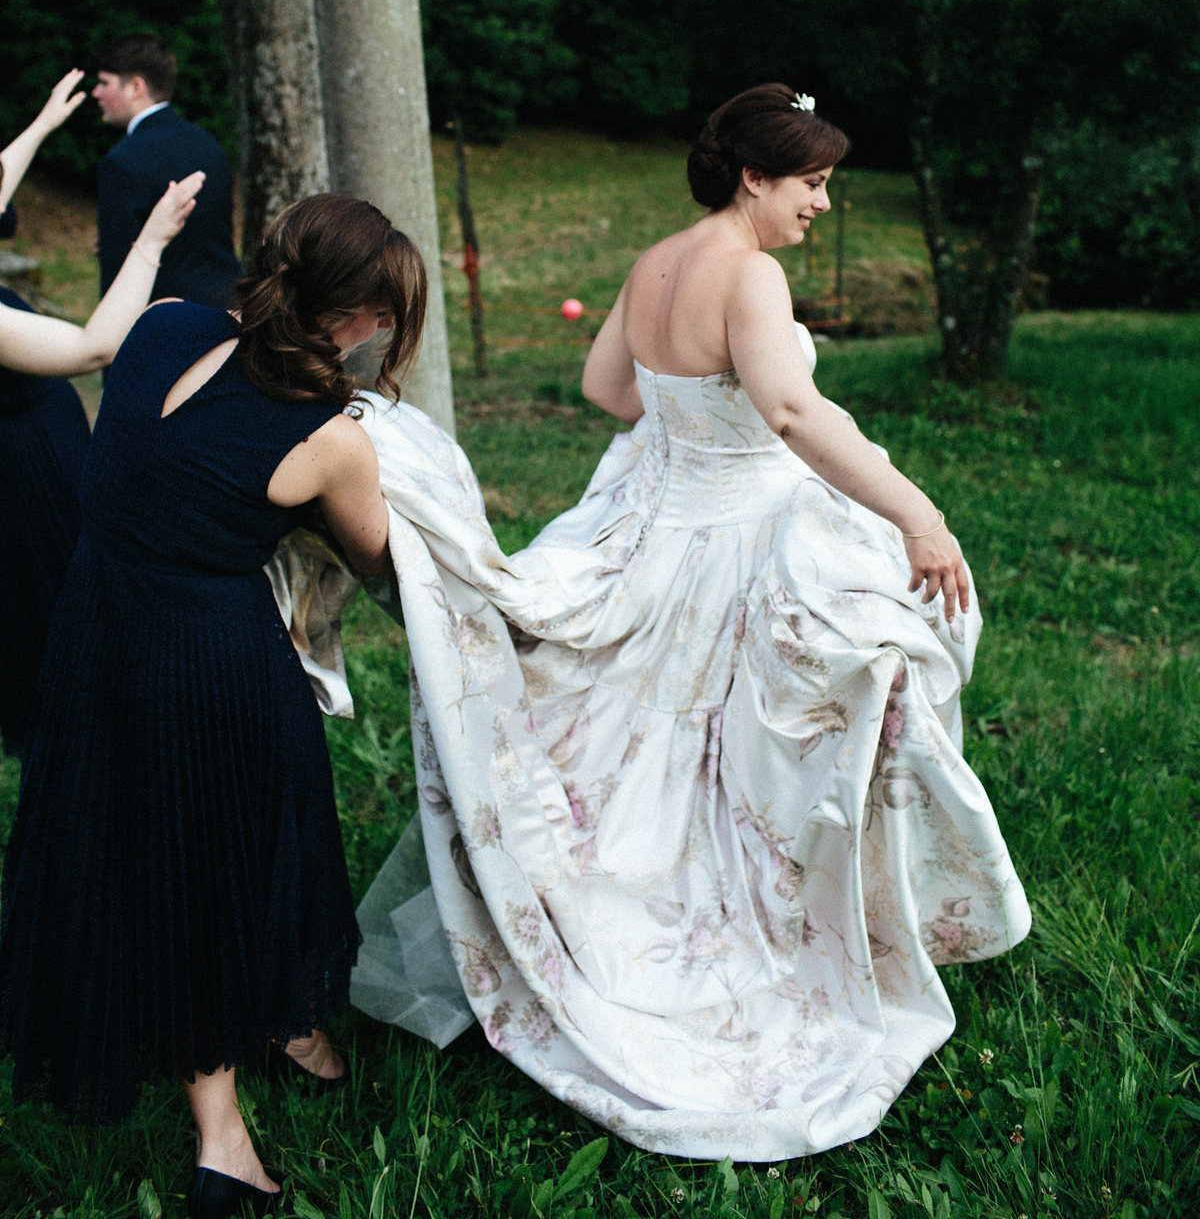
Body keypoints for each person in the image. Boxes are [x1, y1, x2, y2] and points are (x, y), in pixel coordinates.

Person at [325, 83, 1031, 1161]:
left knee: (637, 744)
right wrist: (916, 514)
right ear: (756, 175)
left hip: (656, 521)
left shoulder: (657, 259)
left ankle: (593, 915)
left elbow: (607, 385)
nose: (824, 205)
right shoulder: (750, 272)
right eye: (813, 183)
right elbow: (794, 413)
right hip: (742, 530)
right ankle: (760, 945)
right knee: (756, 736)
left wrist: (693, 415)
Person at [0, 194, 427, 1219]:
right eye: (382, 317)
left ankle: (284, 1016)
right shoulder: (331, 437)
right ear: (353, 318)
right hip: (201, 661)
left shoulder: (162, 327)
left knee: (231, 816)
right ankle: (223, 1140)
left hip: (91, 636)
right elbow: (380, 565)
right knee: (213, 859)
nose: (381, 335)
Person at [0, 68, 204, 756]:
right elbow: (92, 348)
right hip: (24, 472)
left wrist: (45, 122)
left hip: (46, 443)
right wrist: (150, 242)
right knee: (54, 604)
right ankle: (70, 741)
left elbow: (1, 172)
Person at [93, 33, 241, 307]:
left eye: (104, 83)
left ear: (136, 87)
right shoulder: (208, 143)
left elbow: (116, 278)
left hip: (164, 318)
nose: (96, 93)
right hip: (228, 307)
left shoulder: (122, 162)